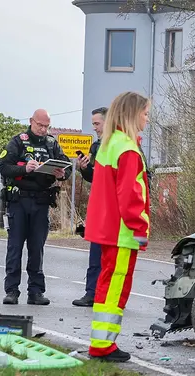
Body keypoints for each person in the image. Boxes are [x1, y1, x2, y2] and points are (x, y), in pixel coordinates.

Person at [84, 91, 152, 362]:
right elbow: (131, 194)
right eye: (145, 114)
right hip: (123, 231)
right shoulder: (128, 148)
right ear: (134, 114)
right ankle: (103, 346)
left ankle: (101, 342)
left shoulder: (111, 143)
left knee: (107, 283)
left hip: (108, 227)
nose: (147, 119)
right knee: (116, 287)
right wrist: (140, 227)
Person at [0, 109, 72, 305]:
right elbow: (3, 167)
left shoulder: (51, 143)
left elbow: (67, 166)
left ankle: (36, 291)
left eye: (46, 126)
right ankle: (12, 290)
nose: (43, 129)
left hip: (41, 201)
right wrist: (24, 168)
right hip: (19, 201)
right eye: (40, 125)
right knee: (15, 247)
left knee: (36, 248)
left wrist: (61, 174)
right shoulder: (18, 142)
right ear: (31, 121)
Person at [72, 106, 108, 307]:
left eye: (97, 123)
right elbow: (94, 177)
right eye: (93, 124)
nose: (94, 128)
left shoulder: (119, 146)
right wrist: (85, 168)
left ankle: (107, 294)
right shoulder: (96, 147)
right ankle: (91, 292)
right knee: (95, 251)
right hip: (98, 204)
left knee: (110, 254)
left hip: (112, 207)